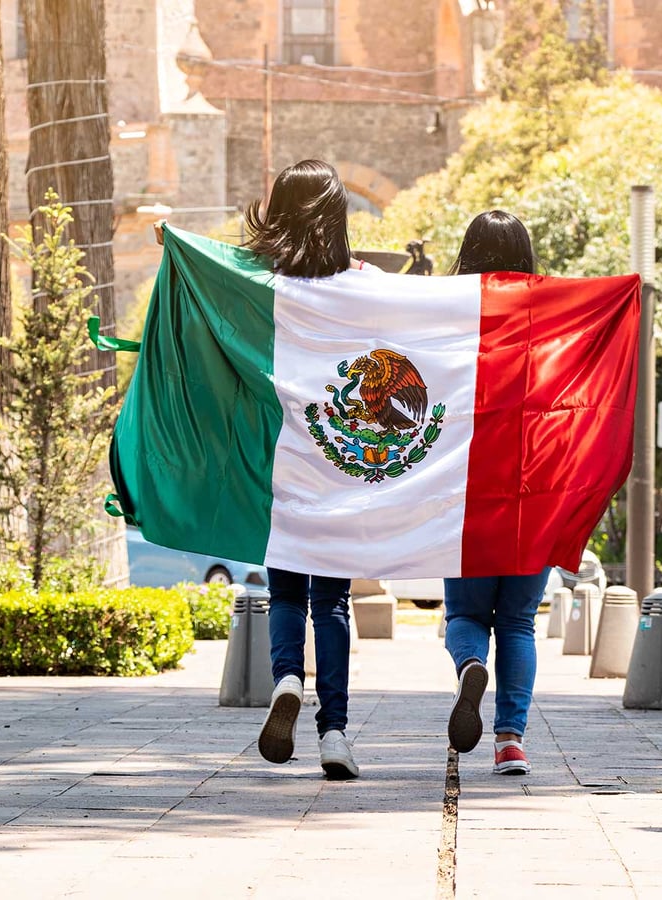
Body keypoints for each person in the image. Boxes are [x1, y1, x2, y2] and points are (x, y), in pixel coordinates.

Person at [241, 160, 372, 779]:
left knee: (286, 591)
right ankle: (335, 733)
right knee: (334, 602)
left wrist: (174, 244)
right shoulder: (363, 283)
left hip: (281, 464)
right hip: (339, 462)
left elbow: (208, 273)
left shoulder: (257, 283)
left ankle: (288, 677)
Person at [443, 210, 552, 776]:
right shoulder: (553, 316)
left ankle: (469, 666)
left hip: (466, 492)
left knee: (464, 611)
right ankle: (511, 740)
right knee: (518, 621)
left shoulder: (446, 312)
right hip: (533, 493)